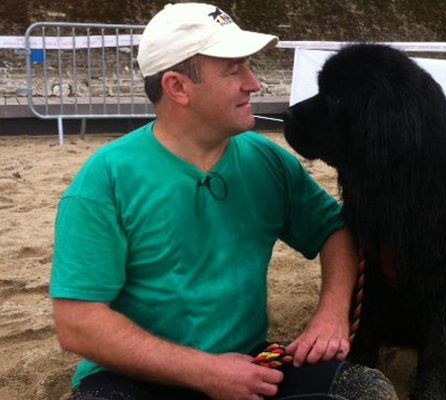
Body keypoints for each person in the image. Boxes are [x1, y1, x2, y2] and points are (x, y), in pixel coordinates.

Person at [49, 3, 398, 399]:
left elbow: (334, 229)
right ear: (177, 87)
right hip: (133, 377)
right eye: (233, 69)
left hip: (248, 363)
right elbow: (77, 322)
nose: (254, 83)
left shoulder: (267, 160)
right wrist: (205, 371)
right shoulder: (105, 181)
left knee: (364, 391)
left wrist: (331, 314)